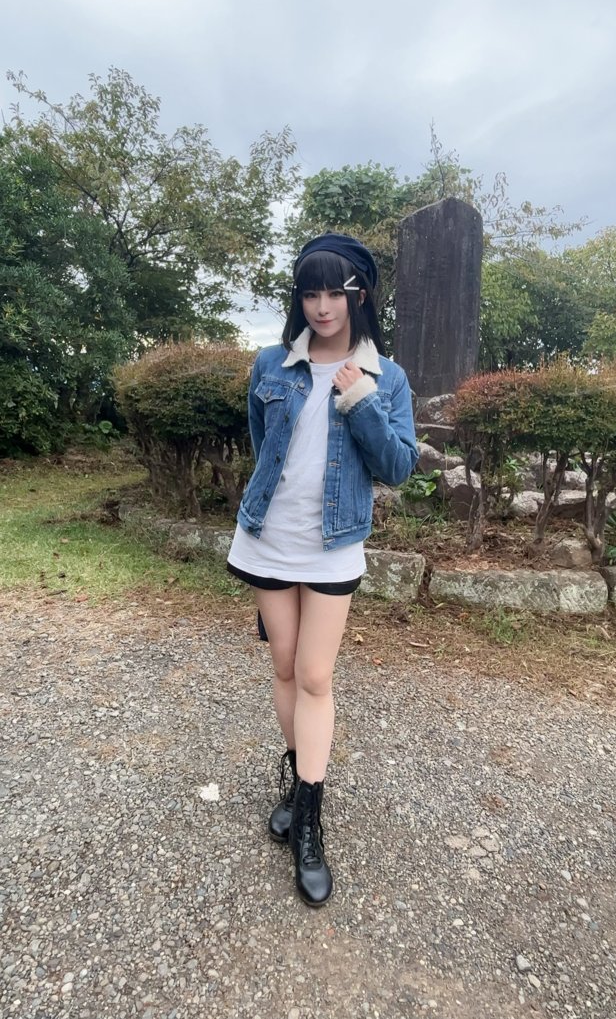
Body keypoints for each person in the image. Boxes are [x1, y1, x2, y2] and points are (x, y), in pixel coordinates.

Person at [226, 232, 418, 907]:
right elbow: (263, 446)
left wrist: (360, 401)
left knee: (314, 674)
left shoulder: (386, 377)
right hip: (268, 539)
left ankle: (309, 821)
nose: (323, 305)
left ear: (361, 295)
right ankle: (298, 780)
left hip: (334, 545)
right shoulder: (271, 364)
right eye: (311, 292)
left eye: (336, 291)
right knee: (284, 667)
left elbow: (398, 467)